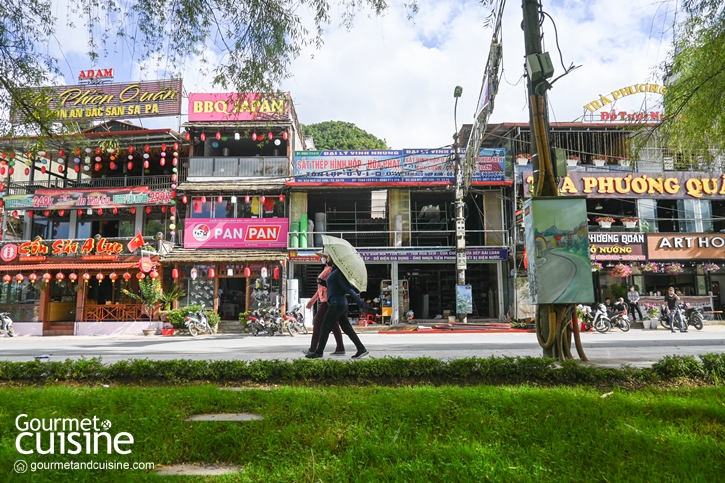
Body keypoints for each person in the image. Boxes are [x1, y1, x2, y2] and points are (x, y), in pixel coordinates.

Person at [305, 254, 372, 359]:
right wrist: (322, 282)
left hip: (337, 304)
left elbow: (348, 288)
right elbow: (333, 286)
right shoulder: (334, 271)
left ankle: (319, 352)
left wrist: (360, 302)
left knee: (325, 328)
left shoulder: (338, 273)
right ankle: (361, 348)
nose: (326, 259)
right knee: (347, 329)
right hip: (338, 304)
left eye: (328, 257)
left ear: (333, 259)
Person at [302, 256, 346, 356]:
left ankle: (313, 349)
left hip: (327, 301)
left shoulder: (331, 270)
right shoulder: (326, 269)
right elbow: (320, 289)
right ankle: (340, 348)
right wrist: (312, 301)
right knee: (334, 325)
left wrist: (321, 282)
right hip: (325, 300)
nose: (322, 258)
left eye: (325, 257)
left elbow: (330, 285)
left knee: (318, 324)